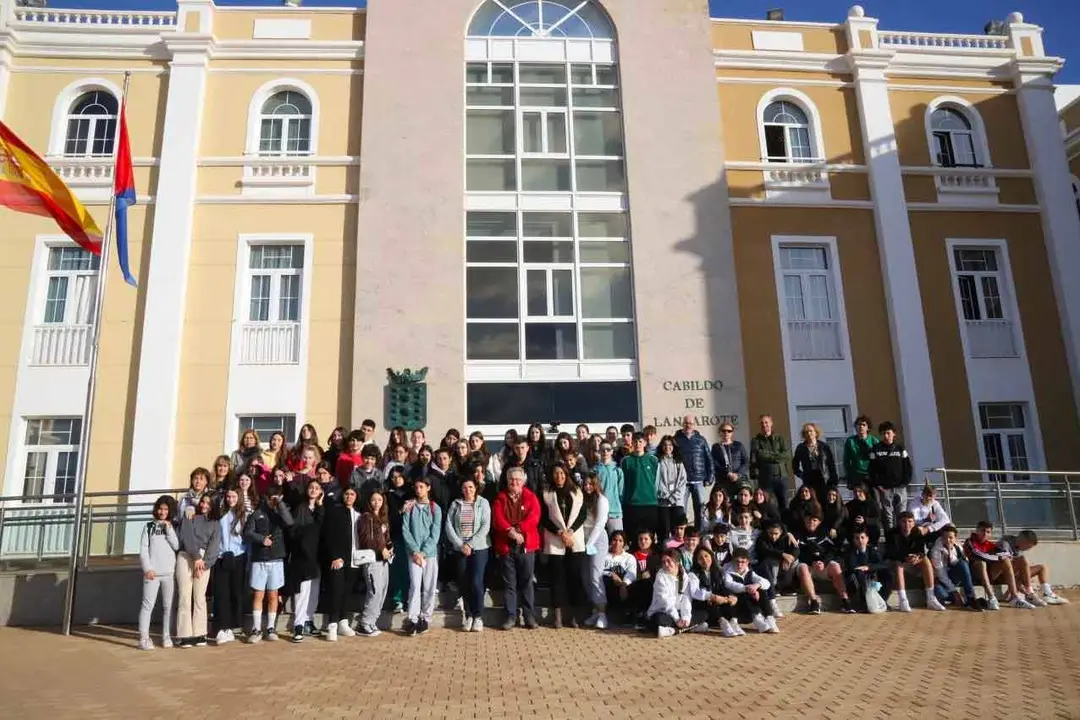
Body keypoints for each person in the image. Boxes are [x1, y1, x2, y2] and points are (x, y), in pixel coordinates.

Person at [965, 523, 1067, 608]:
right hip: (987, 574)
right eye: (982, 531)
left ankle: (1040, 593)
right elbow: (980, 555)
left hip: (1005, 572)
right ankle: (1015, 597)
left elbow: (1005, 558)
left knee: (1038, 566)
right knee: (1008, 560)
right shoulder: (1002, 543)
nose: (985, 534)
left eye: (988, 532)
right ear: (977, 530)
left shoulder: (990, 544)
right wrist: (1000, 557)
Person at [492, 466, 542, 630]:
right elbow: (498, 519)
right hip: (507, 546)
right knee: (509, 584)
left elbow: (534, 517)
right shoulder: (500, 498)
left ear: (523, 482)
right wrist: (511, 532)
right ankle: (511, 616)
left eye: (518, 480)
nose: (514, 482)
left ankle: (529, 616)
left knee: (527, 582)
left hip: (526, 546)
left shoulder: (531, 497)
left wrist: (519, 529)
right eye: (511, 479)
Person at [243, 487, 293, 642]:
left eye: (275, 497)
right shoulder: (257, 514)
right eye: (270, 497)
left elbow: (290, 522)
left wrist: (280, 503)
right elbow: (247, 533)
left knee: (273, 595)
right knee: (259, 594)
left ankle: (271, 627)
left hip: (276, 559)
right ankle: (256, 629)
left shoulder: (281, 512)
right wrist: (261, 539)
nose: (272, 500)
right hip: (260, 559)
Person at [541, 464, 587, 629]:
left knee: (574, 578)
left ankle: (574, 616)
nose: (559, 476)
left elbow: (583, 514)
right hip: (556, 539)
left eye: (561, 473)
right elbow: (544, 518)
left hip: (574, 540)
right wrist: (560, 532)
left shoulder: (577, 492)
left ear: (566, 474)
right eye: (556, 473)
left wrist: (570, 531)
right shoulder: (547, 494)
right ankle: (558, 616)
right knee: (557, 579)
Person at [445, 477, 491, 633]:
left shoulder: (483, 503)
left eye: (471, 487)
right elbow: (449, 525)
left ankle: (478, 616)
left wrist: (470, 544)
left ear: (475, 488)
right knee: (464, 582)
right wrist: (460, 545)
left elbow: (485, 525)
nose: (468, 490)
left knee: (476, 582)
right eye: (465, 487)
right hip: (460, 549)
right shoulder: (455, 504)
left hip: (479, 548)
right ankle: (469, 615)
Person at [175, 493, 221, 648]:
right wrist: (196, 558)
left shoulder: (215, 523)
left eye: (208, 503)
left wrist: (205, 564)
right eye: (203, 502)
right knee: (184, 596)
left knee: (200, 597)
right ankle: (184, 634)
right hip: (186, 556)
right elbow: (186, 536)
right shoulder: (190, 515)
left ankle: (200, 633)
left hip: (203, 561)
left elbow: (214, 547)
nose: (204, 505)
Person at [320, 485, 364, 641]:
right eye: (347, 493)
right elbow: (328, 535)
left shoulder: (359, 514)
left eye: (352, 494)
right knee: (336, 591)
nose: (349, 496)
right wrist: (334, 556)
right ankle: (332, 624)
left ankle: (343, 622)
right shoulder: (335, 512)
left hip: (354, 559)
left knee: (346, 591)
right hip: (338, 559)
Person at [401, 475, 442, 636]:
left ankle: (425, 617)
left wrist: (424, 552)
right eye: (416, 487)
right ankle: (412, 618)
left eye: (422, 487)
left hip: (430, 554)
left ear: (428, 488)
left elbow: (435, 532)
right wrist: (415, 551)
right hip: (413, 554)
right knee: (415, 586)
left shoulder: (435, 508)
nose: (419, 490)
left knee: (430, 586)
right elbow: (406, 530)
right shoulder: (410, 506)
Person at [138, 496, 179, 651]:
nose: (162, 512)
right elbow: (143, 550)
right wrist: (147, 568)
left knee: (168, 606)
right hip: (152, 574)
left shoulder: (172, 526)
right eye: (160, 509)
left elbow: (176, 546)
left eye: (166, 509)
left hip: (168, 573)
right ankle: (144, 638)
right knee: (147, 605)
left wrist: (168, 529)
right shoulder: (148, 527)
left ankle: (166, 636)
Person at [646, 549, 718, 638]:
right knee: (658, 619)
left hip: (679, 612)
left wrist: (686, 618)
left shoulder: (685, 577)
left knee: (704, 614)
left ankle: (673, 630)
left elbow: (686, 599)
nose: (666, 564)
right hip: (664, 611)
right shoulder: (660, 576)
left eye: (669, 561)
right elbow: (665, 601)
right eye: (663, 562)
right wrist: (676, 619)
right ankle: (688, 628)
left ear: (677, 562)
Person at [288, 478, 325, 642]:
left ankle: (309, 620)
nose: (313, 490)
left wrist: (321, 505)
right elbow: (294, 531)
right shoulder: (300, 508)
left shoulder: (321, 508)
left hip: (317, 555)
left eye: (317, 488)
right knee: (302, 591)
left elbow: (322, 527)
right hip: (302, 556)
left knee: (314, 591)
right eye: (311, 487)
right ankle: (299, 624)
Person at [885, 511, 944, 612]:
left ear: (913, 523)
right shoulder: (891, 533)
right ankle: (903, 600)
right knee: (898, 564)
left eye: (909, 521)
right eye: (904, 521)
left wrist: (917, 557)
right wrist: (905, 558)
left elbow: (921, 550)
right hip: (896, 562)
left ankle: (931, 598)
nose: (907, 524)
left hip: (912, 562)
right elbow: (892, 553)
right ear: (899, 522)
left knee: (925, 560)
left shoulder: (917, 532)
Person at [212, 488, 248, 645]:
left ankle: (232, 627)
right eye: (228, 496)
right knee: (221, 593)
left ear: (239, 497)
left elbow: (245, 537)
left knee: (235, 592)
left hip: (238, 556)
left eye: (233, 496)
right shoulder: (220, 512)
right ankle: (222, 627)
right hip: (221, 556)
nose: (230, 499)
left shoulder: (243, 514)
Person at [794, 514, 850, 615]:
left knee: (835, 566)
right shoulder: (798, 534)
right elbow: (797, 553)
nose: (811, 522)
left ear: (819, 522)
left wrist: (824, 562)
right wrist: (812, 562)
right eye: (808, 520)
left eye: (814, 520)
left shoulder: (825, 533)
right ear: (804, 520)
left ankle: (845, 600)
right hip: (808, 566)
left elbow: (833, 551)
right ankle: (814, 602)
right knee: (802, 567)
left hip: (823, 566)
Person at [356, 489, 394, 636]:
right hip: (372, 560)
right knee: (375, 591)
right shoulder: (366, 517)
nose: (376, 502)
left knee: (382, 591)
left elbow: (386, 538)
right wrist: (381, 549)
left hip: (384, 560)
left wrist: (389, 548)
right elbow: (366, 539)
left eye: (379, 499)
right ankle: (364, 623)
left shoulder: (383, 518)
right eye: (373, 499)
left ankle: (372, 621)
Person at [867, 421, 913, 532]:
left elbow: (908, 467)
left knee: (902, 516)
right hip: (885, 489)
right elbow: (872, 470)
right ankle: (891, 541)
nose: (886, 436)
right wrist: (878, 485)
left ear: (894, 434)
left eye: (888, 433)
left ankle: (902, 539)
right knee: (888, 518)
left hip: (900, 488)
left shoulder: (900, 449)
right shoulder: (876, 449)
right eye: (883, 434)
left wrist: (905, 483)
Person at [580, 471, 611, 630]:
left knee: (595, 574)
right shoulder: (583, 499)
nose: (587, 487)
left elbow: (600, 524)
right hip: (584, 540)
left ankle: (602, 613)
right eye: (585, 484)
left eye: (590, 484)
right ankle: (594, 610)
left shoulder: (602, 500)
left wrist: (589, 544)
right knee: (585, 576)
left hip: (597, 541)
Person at [722, 547, 778, 633]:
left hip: (749, 602)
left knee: (762, 590)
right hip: (736, 605)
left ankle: (769, 617)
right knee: (744, 593)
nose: (739, 565)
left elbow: (766, 583)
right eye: (737, 561)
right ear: (733, 561)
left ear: (747, 562)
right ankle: (756, 617)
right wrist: (747, 588)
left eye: (743, 562)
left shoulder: (749, 572)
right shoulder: (727, 571)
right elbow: (729, 584)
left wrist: (756, 585)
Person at [689, 545, 741, 636]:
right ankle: (723, 623)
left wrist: (730, 596)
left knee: (730, 599)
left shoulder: (718, 571)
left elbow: (722, 588)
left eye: (706, 556)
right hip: (701, 606)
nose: (704, 560)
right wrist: (713, 597)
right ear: (696, 561)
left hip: (717, 604)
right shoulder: (693, 574)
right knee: (710, 600)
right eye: (700, 558)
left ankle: (734, 622)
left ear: (711, 556)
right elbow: (695, 592)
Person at [674, 416, 714, 529]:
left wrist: (710, 478)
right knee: (681, 511)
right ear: (683, 423)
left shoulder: (701, 440)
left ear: (694, 424)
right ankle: (682, 536)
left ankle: (699, 535)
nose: (688, 425)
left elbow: (709, 459)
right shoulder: (676, 440)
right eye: (686, 423)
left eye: (691, 423)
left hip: (699, 480)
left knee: (700, 511)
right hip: (682, 482)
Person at [929, 525, 980, 611]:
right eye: (945, 537)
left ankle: (970, 598)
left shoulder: (958, 546)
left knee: (963, 564)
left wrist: (950, 551)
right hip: (942, 581)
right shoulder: (936, 550)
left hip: (954, 577)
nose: (948, 540)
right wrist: (954, 591)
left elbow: (962, 564)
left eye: (950, 537)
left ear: (955, 538)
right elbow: (941, 574)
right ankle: (954, 598)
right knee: (940, 593)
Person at [754, 519, 799, 617]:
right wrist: (783, 555)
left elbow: (796, 549)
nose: (773, 536)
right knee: (772, 562)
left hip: (783, 566)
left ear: (781, 532)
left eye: (776, 534)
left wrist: (790, 558)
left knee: (796, 562)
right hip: (766, 566)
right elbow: (766, 550)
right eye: (771, 533)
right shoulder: (762, 538)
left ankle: (787, 585)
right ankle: (774, 588)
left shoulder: (787, 537)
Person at [621, 432, 659, 544]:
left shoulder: (653, 460)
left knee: (649, 537)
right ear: (632, 443)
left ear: (645, 443)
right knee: (633, 537)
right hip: (632, 504)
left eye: (640, 441)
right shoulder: (626, 461)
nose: (638, 444)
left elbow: (657, 481)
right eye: (635, 441)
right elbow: (622, 483)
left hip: (650, 503)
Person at [844, 527, 891, 613]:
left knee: (887, 573)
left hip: (871, 575)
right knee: (859, 573)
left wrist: (868, 567)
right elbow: (852, 566)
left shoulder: (872, 550)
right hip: (856, 579)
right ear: (854, 540)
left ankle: (882, 600)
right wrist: (863, 569)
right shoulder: (851, 551)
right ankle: (864, 603)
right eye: (857, 538)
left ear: (867, 539)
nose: (860, 540)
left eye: (862, 537)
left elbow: (881, 564)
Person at [750, 415, 791, 511]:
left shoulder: (780, 439)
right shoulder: (756, 440)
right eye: (762, 423)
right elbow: (758, 456)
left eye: (766, 422)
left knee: (784, 504)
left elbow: (786, 455)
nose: (764, 425)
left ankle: (783, 525)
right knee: (768, 505)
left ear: (771, 423)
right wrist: (777, 456)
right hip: (766, 479)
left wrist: (768, 456)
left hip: (781, 477)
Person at [655, 435, 688, 545]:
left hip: (677, 502)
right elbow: (657, 481)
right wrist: (664, 495)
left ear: (673, 446)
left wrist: (674, 497)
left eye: (670, 445)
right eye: (665, 445)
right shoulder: (657, 462)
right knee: (664, 530)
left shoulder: (678, 462)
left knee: (678, 530)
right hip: (663, 502)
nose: (667, 447)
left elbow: (683, 482)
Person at [792, 423, 837, 503]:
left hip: (823, 477)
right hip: (809, 478)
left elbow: (831, 464)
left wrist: (833, 481)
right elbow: (795, 464)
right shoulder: (801, 447)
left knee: (824, 500)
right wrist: (800, 474)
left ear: (816, 433)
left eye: (811, 431)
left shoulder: (824, 447)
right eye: (806, 432)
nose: (809, 434)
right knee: (812, 501)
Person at [601, 531, 637, 626]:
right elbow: (597, 570)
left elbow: (632, 574)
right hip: (606, 584)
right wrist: (611, 574)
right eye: (614, 540)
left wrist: (623, 584)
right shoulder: (604, 555)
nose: (617, 543)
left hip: (622, 586)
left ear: (624, 543)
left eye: (620, 541)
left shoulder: (629, 557)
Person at [594, 441, 625, 534]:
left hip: (615, 511)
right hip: (599, 511)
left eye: (608, 449)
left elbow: (621, 491)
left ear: (612, 452)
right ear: (599, 451)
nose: (605, 452)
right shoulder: (595, 470)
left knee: (616, 539)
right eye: (603, 450)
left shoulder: (617, 469)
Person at [711, 422, 748, 498]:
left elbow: (746, 462)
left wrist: (738, 474)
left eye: (729, 431)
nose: (726, 433)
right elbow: (714, 464)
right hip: (723, 480)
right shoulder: (716, 447)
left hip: (739, 480)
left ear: (732, 433)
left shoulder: (739, 445)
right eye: (724, 431)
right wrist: (727, 473)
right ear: (720, 432)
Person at [843, 416, 876, 490]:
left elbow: (878, 460)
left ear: (868, 428)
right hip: (856, 474)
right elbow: (846, 460)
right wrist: (849, 477)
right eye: (859, 424)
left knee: (874, 498)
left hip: (870, 474)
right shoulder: (850, 441)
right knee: (859, 498)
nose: (861, 426)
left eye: (864, 425)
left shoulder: (874, 441)